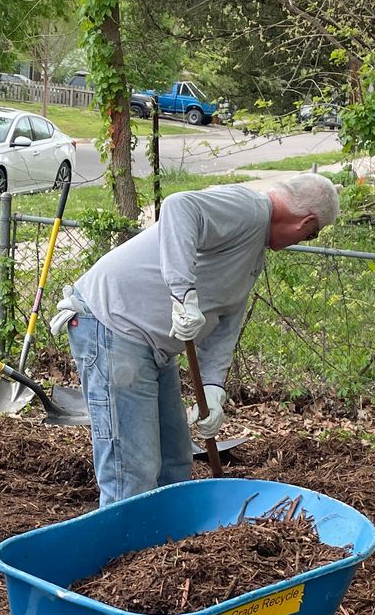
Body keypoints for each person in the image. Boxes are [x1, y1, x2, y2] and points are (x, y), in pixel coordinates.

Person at [54, 174, 340, 505]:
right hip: (113, 325)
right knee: (132, 470)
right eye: (312, 233)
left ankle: (166, 545)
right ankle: (124, 549)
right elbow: (180, 207)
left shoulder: (252, 253)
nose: (306, 239)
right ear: (306, 221)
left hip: (154, 347)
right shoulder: (249, 209)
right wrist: (183, 293)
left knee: (175, 462)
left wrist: (214, 389)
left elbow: (225, 321)